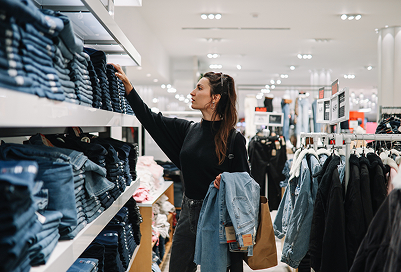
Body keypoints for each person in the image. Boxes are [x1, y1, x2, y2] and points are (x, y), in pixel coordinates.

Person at [111, 63, 250, 272]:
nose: (192, 93)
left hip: (218, 216)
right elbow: (151, 119)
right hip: (188, 211)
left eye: (200, 88)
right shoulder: (189, 130)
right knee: (178, 267)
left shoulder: (234, 139)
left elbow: (246, 183)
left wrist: (228, 181)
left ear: (215, 97)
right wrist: (129, 88)